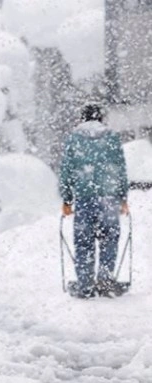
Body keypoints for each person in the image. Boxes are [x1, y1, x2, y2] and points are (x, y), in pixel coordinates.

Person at [59, 103, 130, 298]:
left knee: (83, 242)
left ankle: (85, 285)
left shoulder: (74, 139)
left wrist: (67, 199)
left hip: (84, 198)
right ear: (101, 118)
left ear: (83, 118)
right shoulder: (112, 137)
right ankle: (105, 281)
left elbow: (66, 170)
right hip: (109, 198)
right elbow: (120, 169)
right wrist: (123, 197)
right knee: (109, 239)